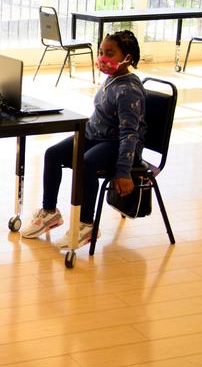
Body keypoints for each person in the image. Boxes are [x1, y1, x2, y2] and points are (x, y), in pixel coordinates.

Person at [20, 30, 146, 249]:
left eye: (110, 53)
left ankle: (87, 225)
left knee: (86, 163)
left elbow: (130, 134)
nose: (103, 58)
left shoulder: (128, 90)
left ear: (127, 57)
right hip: (96, 136)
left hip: (118, 144)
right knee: (53, 154)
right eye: (101, 52)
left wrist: (124, 171)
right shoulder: (112, 79)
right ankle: (50, 213)